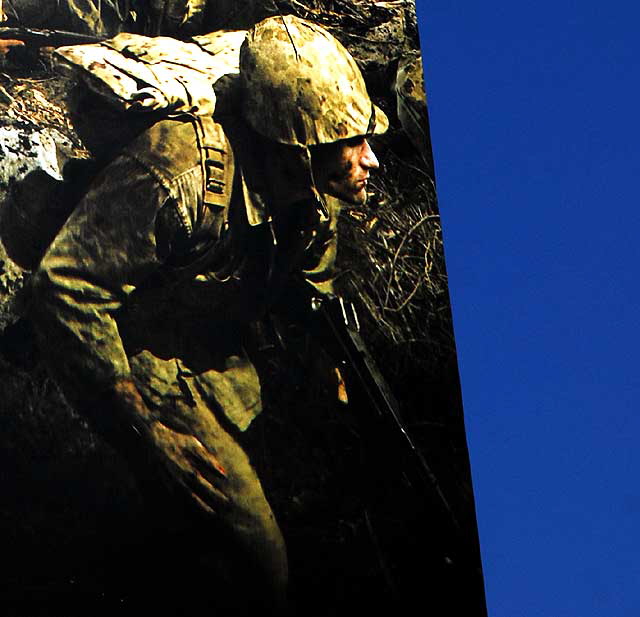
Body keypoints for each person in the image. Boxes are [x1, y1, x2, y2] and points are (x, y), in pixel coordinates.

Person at [29, 14, 388, 614]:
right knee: (262, 562)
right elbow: (64, 286)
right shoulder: (179, 170)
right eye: (349, 143)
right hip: (133, 349)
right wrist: (146, 429)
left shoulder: (314, 192)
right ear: (292, 153)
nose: (370, 160)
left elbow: (310, 283)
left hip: (207, 343)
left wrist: (330, 361)